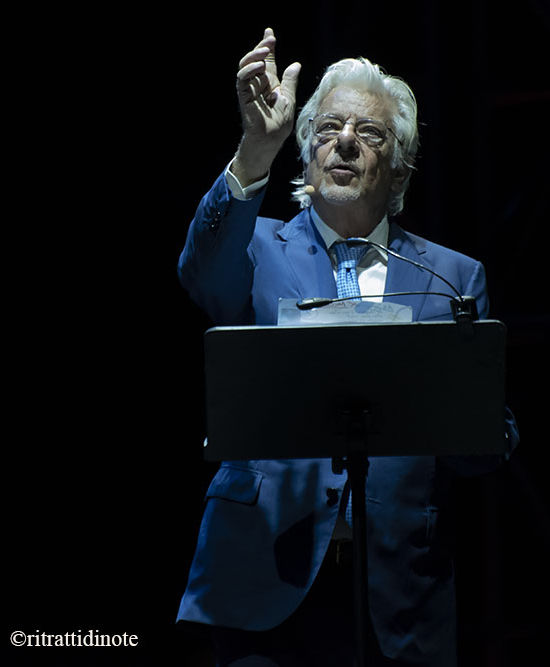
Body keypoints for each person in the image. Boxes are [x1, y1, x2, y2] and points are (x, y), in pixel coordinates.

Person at [175, 28, 519, 667]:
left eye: (371, 133)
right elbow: (200, 271)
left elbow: (483, 443)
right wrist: (256, 149)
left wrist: (474, 421)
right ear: (304, 149)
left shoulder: (454, 278)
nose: (346, 143)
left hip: (398, 593)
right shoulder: (255, 247)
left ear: (400, 165)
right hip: (262, 574)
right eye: (329, 127)